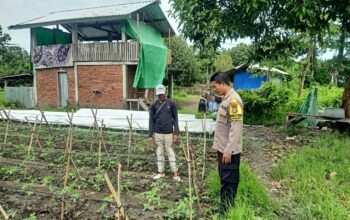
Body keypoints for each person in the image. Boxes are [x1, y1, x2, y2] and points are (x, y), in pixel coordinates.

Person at [210, 72, 243, 212]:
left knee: (229, 181)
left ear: (223, 83)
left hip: (229, 151)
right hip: (223, 149)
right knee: (224, 180)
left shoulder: (234, 100)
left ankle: (227, 210)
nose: (214, 89)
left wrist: (228, 150)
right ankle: (223, 206)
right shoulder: (225, 99)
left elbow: (236, 128)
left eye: (215, 86)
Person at [148, 84, 182, 182]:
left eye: (162, 94)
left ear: (165, 92)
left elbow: (175, 118)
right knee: (159, 152)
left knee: (170, 152)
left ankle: (175, 173)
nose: (161, 96)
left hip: (169, 133)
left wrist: (176, 133)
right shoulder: (154, 105)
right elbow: (151, 120)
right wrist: (150, 135)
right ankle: (160, 172)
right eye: (159, 95)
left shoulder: (171, 103)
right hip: (157, 133)